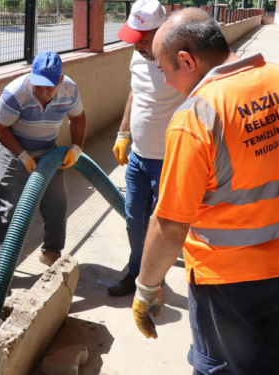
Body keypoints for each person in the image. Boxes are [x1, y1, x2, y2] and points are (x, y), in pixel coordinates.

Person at [131, 9, 279, 375]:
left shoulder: (197, 116)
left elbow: (171, 224)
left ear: (186, 61)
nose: (165, 81)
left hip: (227, 286)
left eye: (164, 70)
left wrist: (146, 288)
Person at [0, 52, 87, 282]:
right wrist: (22, 155)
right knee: (8, 208)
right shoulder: (16, 93)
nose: (42, 92)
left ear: (60, 80)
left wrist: (77, 148)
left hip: (49, 153)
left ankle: (51, 252)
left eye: (48, 87)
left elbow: (78, 117)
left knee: (56, 203)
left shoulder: (69, 90)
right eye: (38, 85)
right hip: (13, 153)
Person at [109, 0, 186, 297]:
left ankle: (154, 281)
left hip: (167, 161)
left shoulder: (182, 62)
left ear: (161, 32)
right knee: (134, 221)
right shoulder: (138, 55)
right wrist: (123, 133)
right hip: (138, 158)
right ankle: (136, 273)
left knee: (161, 226)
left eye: (142, 39)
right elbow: (135, 92)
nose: (136, 45)